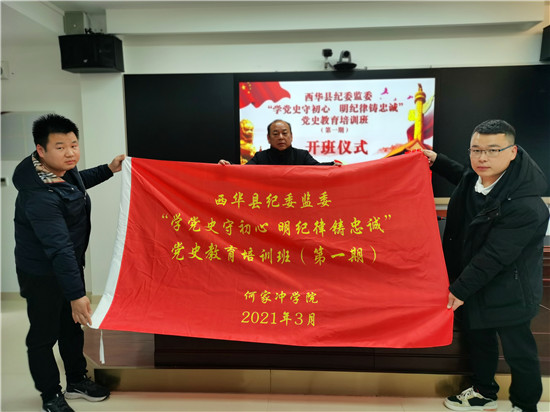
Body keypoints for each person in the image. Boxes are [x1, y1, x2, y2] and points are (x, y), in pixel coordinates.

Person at [422, 119, 548, 412]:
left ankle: (525, 405)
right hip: (476, 282)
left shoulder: (526, 205)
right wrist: (437, 161)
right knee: (479, 339)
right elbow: (464, 177)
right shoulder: (479, 178)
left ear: (512, 151)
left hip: (510, 289)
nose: (483, 158)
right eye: (476, 150)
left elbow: (495, 254)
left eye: (493, 150)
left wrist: (459, 289)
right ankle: (483, 392)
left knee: (518, 351)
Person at [13, 114, 125, 412]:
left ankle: (76, 381)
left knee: (72, 326)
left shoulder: (60, 172)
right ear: (41, 150)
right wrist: (76, 294)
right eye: (60, 147)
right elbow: (58, 247)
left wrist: (108, 169)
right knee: (44, 335)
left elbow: (77, 183)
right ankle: (50, 395)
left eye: (74, 145)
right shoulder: (39, 195)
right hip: (42, 273)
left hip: (68, 264)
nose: (70, 153)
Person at [219, 119, 340, 165]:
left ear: (291, 136)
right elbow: (244, 172)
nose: (281, 137)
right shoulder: (260, 157)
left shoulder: (302, 156)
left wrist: (333, 165)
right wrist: (229, 166)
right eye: (276, 134)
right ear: (268, 138)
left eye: (285, 133)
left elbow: (318, 169)